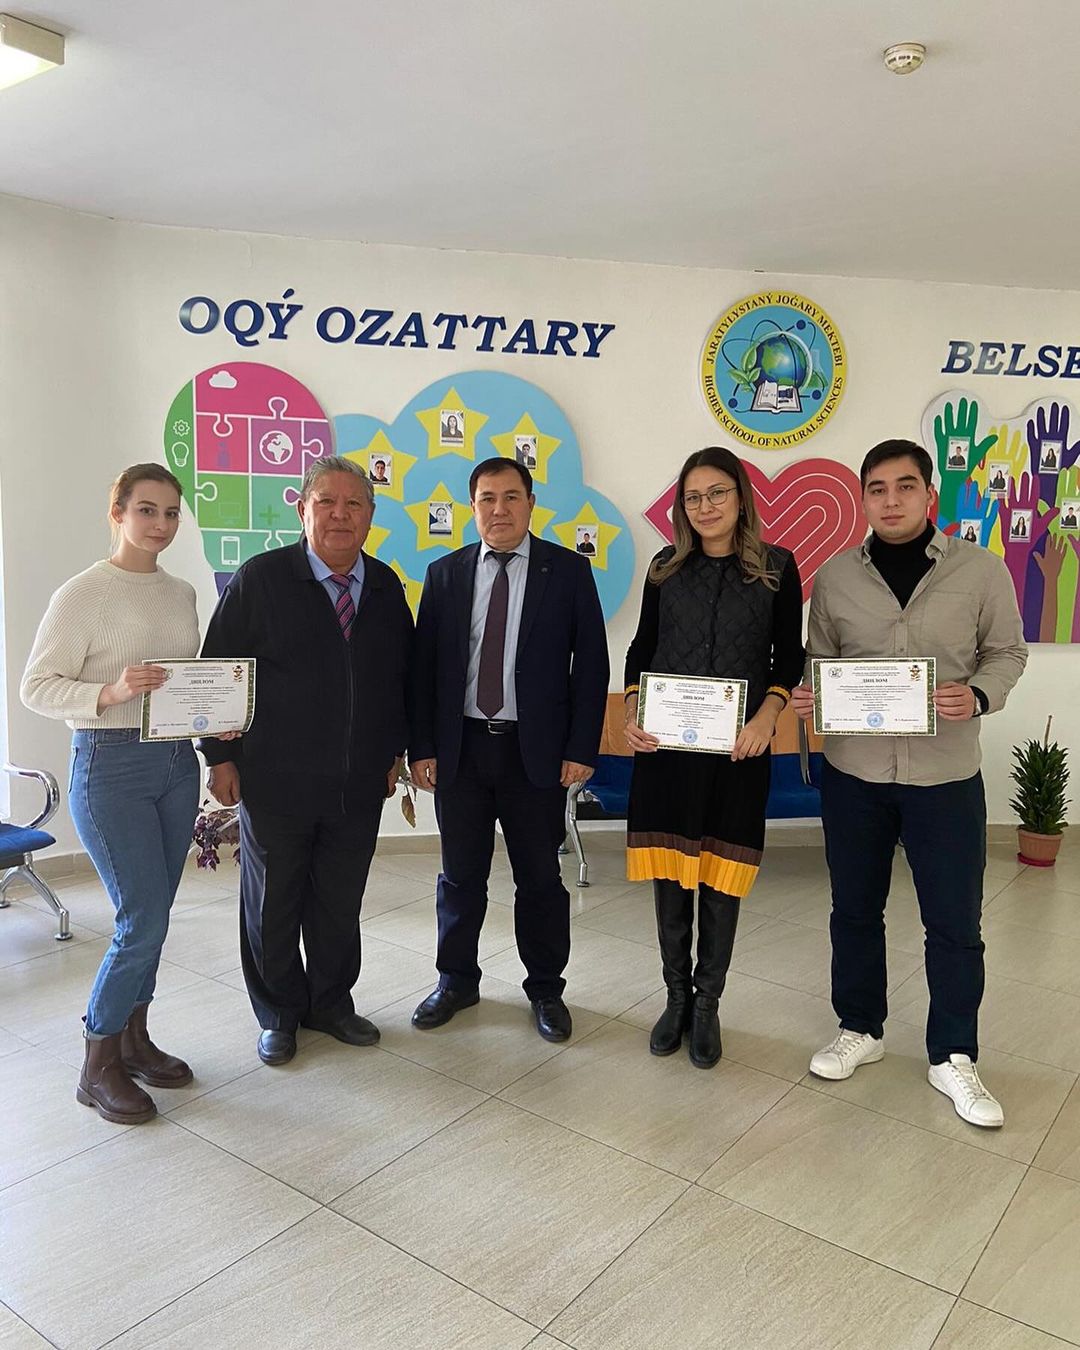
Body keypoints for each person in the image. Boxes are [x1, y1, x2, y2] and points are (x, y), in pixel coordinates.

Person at [792, 438, 1027, 1128]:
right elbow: (821, 661)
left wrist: (978, 695)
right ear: (863, 499)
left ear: (929, 494)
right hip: (855, 775)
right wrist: (810, 695)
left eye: (904, 486)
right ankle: (860, 1028)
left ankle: (953, 1054)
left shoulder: (980, 570)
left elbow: (1006, 652)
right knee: (854, 910)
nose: (890, 500)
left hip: (945, 776)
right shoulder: (836, 577)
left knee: (954, 922)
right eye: (876, 489)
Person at [200, 457, 413, 1067]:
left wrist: (395, 751)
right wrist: (219, 757)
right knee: (273, 903)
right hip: (275, 779)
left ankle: (332, 1004)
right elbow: (219, 671)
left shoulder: (385, 586)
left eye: (354, 504)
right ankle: (278, 1014)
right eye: (327, 502)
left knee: (339, 902)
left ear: (370, 516)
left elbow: (400, 678)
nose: (340, 515)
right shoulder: (262, 579)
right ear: (303, 509)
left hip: (358, 781)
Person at [21, 464, 214, 1125]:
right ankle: (97, 1062)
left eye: (171, 513)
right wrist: (110, 691)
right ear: (118, 513)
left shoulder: (181, 593)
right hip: (109, 764)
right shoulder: (84, 593)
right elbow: (36, 686)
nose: (160, 524)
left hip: (176, 764)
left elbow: (183, 682)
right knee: (141, 919)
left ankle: (135, 1039)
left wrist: (215, 714)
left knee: (157, 912)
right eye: (146, 510)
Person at [409, 457, 609, 1042]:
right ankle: (456, 981)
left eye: (511, 497)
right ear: (473, 508)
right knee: (460, 877)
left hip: (535, 754)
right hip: (462, 751)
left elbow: (590, 667)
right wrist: (422, 747)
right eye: (487, 499)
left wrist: (581, 747)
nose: (500, 510)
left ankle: (546, 988)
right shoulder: (444, 574)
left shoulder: (567, 572)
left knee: (540, 878)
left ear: (530, 504)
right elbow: (423, 672)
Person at [624, 447, 804, 1069]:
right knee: (672, 877)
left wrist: (768, 716)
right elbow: (641, 650)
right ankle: (675, 998)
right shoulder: (665, 567)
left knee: (722, 879)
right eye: (693, 497)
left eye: (717, 493)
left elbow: (788, 657)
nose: (705, 507)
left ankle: (707, 1005)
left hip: (737, 751)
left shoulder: (777, 568)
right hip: (667, 750)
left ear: (741, 498)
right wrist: (633, 711)